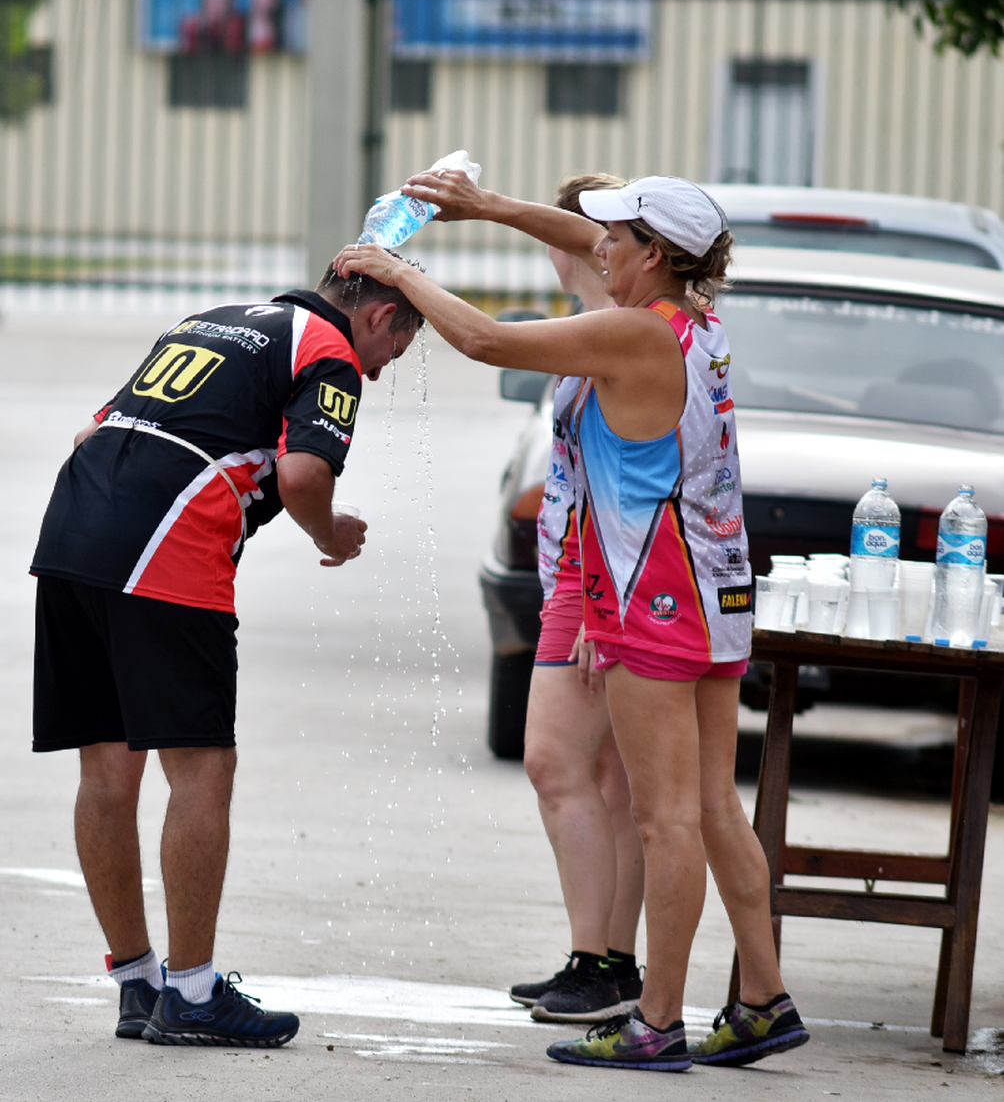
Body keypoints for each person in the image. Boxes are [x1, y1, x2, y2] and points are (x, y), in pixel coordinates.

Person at [336, 174, 808, 1071]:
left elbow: (483, 338)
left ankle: (656, 1021)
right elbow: (583, 237)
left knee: (666, 820)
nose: (598, 250)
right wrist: (492, 209)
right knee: (711, 807)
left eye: (615, 239)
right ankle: (762, 999)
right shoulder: (694, 321)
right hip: (713, 595)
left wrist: (396, 270)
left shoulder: (631, 332)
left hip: (651, 596)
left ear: (655, 254)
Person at [30, 260, 423, 1048]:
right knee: (202, 765)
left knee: (106, 769)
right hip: (167, 546)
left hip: (73, 524)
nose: (380, 373)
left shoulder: (213, 318)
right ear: (381, 317)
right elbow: (304, 471)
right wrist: (329, 532)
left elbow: (90, 429)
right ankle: (196, 992)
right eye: (397, 353)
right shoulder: (331, 351)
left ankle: (137, 983)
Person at [504, 175, 646, 1026]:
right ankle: (611, 961)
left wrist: (596, 604)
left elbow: (616, 486)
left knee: (554, 763)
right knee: (608, 780)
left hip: (597, 579)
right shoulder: (623, 328)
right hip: (604, 578)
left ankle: (596, 962)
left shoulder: (607, 335)